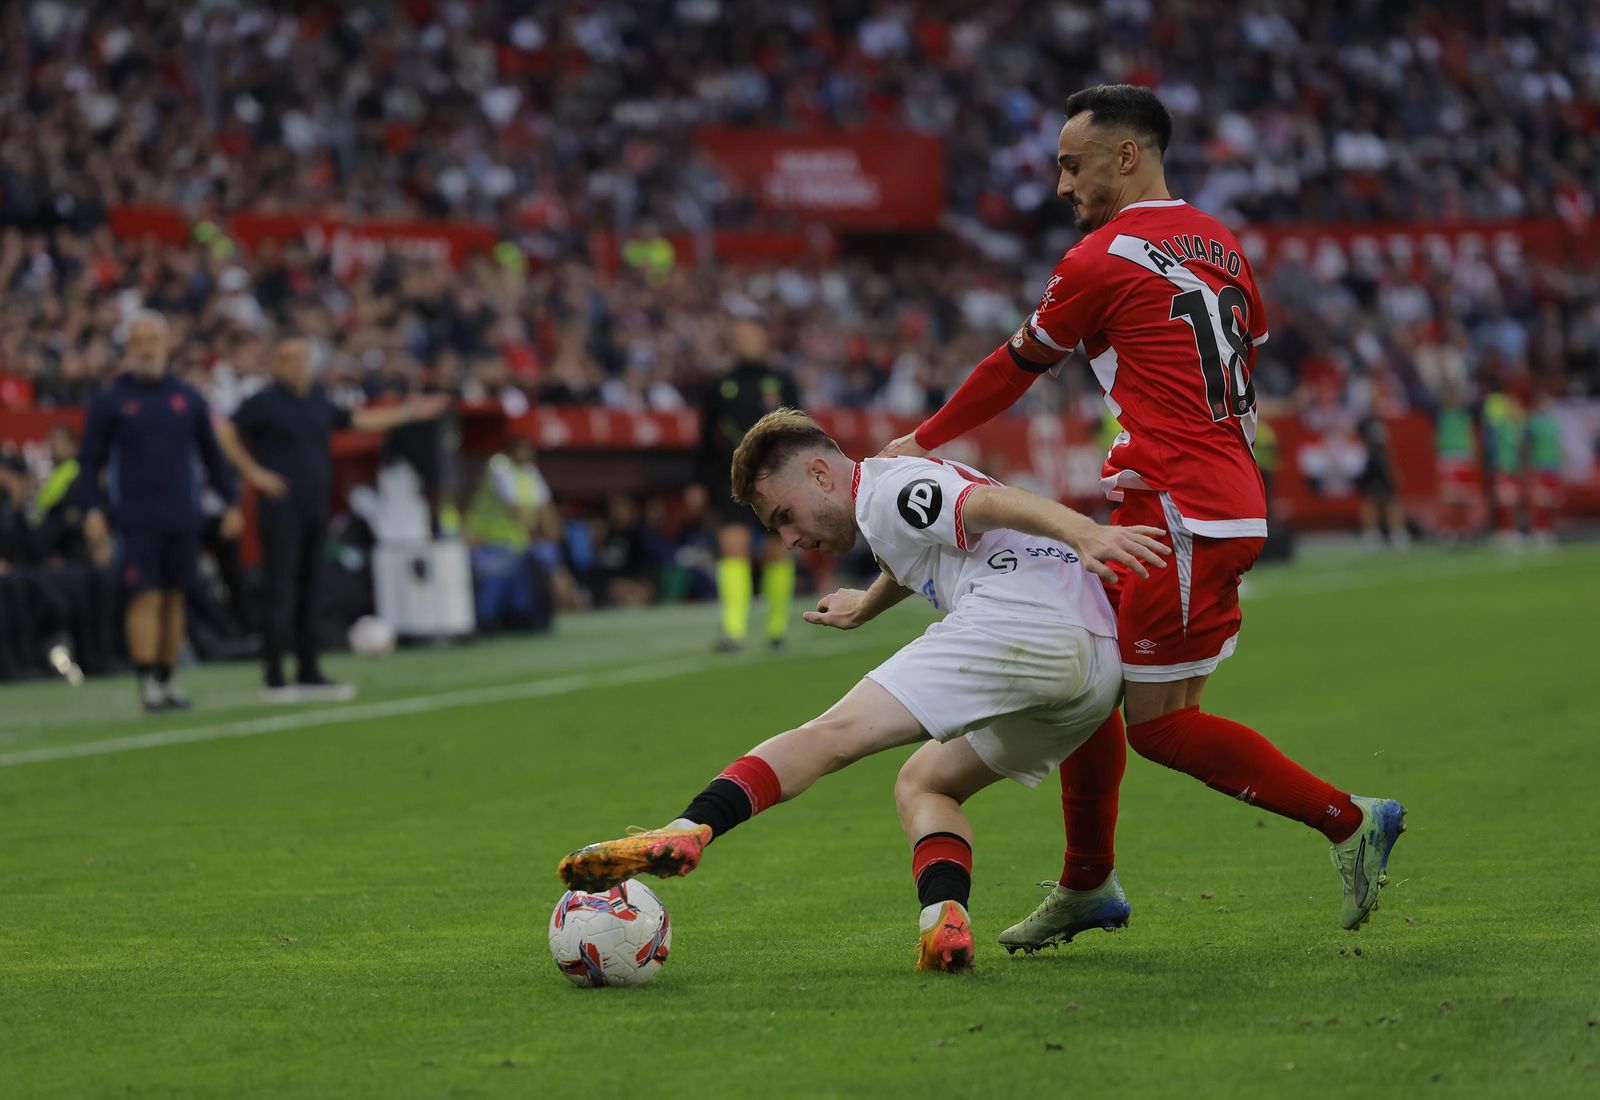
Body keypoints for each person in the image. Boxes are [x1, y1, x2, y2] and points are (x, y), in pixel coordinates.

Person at [880, 84, 1406, 934]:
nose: (1061, 185)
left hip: (1183, 512)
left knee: (1161, 726)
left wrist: (924, 440)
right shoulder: (1222, 243)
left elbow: (1015, 365)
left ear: (1127, 156)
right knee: (1091, 676)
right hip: (1190, 499)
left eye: (1072, 163)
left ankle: (1349, 819)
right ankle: (1088, 884)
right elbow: (1244, 353)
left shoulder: (1102, 256)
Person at [559, 408, 1169, 971]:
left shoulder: (888, 490)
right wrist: (868, 605)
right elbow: (924, 543)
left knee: (829, 736)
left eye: (785, 517)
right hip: (1094, 669)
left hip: (1021, 626)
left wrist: (1085, 531)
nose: (790, 540)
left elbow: (988, 502)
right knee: (924, 782)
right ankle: (942, 921)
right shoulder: (887, 503)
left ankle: (690, 826)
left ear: (821, 474)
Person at [216, 338, 448, 702]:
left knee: (311, 588)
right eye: (287, 359)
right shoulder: (264, 401)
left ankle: (309, 671)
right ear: (276, 364)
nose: (295, 365)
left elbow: (358, 420)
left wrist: (407, 413)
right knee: (281, 590)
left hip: (315, 506)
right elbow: (225, 429)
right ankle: (274, 676)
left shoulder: (317, 400)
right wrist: (254, 474)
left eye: (300, 358)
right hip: (280, 509)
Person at [77, 310, 241, 711]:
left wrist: (232, 502)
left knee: (176, 597)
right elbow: (89, 461)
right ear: (128, 348)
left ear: (166, 344)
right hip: (136, 515)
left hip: (183, 514)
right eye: (139, 340)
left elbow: (212, 457)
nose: (147, 348)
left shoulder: (188, 397)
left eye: (153, 339)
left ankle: (168, 680)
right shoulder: (111, 400)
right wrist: (91, 510)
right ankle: (146, 679)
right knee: (145, 596)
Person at [697, 313, 801, 651]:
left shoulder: (782, 382)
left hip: (777, 481)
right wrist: (697, 481)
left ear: (763, 339)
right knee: (732, 548)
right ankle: (734, 631)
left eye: (751, 335)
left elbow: (801, 431)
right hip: (731, 482)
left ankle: (776, 629)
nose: (746, 342)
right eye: (740, 337)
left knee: (777, 552)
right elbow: (704, 441)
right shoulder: (719, 386)